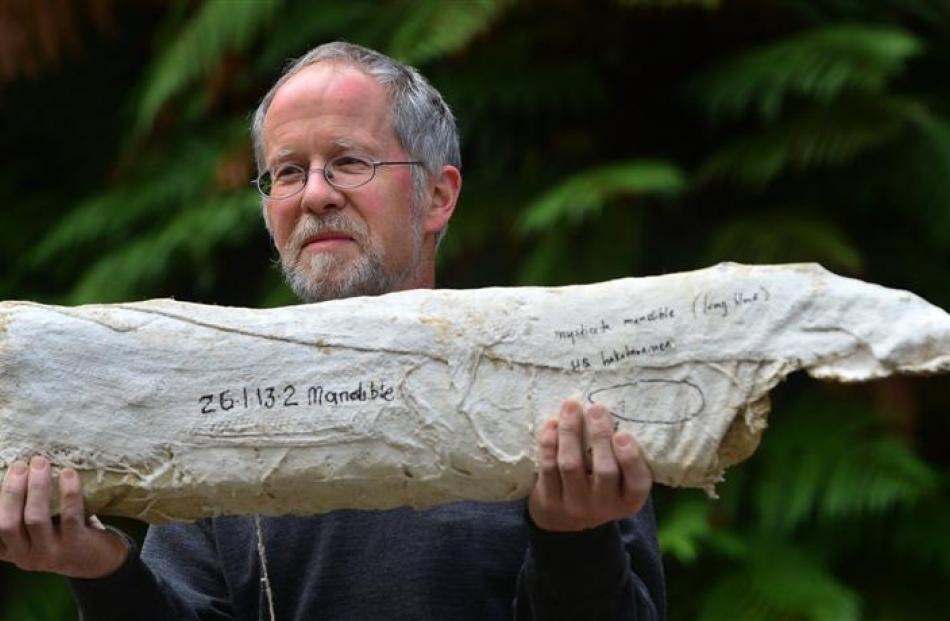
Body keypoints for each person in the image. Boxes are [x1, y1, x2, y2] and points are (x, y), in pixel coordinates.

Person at [0, 42, 665, 620]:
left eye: (349, 162)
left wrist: (573, 538)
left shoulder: (554, 389)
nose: (315, 193)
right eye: (288, 171)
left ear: (438, 196)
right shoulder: (209, 406)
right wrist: (99, 567)